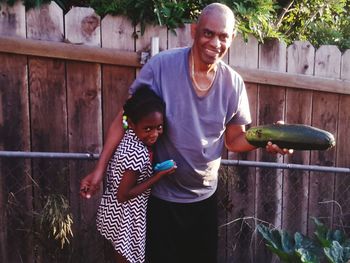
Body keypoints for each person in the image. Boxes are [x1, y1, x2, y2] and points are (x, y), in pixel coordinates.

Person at [80, 3, 292, 263]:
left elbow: (234, 140)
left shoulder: (233, 83)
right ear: (194, 31)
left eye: (223, 36)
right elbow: (123, 119)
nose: (215, 42)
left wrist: (267, 138)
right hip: (161, 197)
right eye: (208, 33)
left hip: (203, 198)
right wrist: (100, 169)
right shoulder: (161, 67)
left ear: (232, 38)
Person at [81, 86, 176, 263]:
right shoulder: (137, 152)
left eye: (159, 127)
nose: (154, 134)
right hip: (126, 216)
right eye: (148, 129)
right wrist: (159, 176)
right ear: (131, 124)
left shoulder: (129, 138)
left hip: (116, 211)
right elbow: (124, 195)